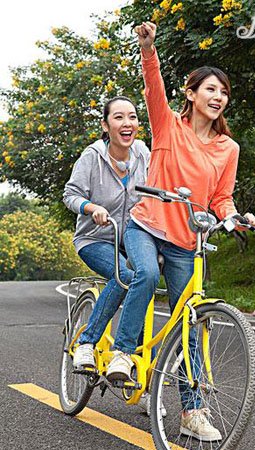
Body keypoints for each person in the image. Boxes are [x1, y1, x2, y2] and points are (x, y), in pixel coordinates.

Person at [105, 22, 255, 441]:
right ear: (192, 94)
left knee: (191, 321)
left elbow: (221, 198)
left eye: (224, 93)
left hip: (187, 241)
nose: (218, 98)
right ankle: (122, 352)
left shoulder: (229, 149)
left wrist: (235, 216)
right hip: (147, 225)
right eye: (210, 89)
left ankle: (193, 411)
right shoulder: (169, 125)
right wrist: (148, 47)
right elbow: (152, 83)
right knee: (145, 276)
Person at [63, 95, 150, 375]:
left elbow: (159, 190)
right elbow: (71, 194)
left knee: (144, 286)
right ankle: (87, 342)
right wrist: (91, 207)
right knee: (124, 276)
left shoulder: (143, 154)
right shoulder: (92, 156)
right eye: (119, 117)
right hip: (95, 239)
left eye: (133, 117)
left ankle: (136, 372)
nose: (128, 123)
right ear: (106, 124)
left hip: (135, 239)